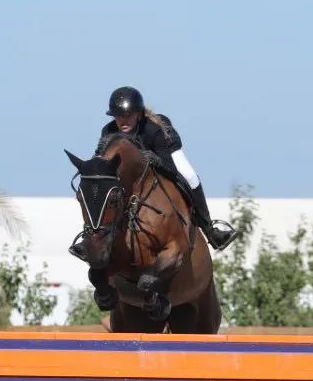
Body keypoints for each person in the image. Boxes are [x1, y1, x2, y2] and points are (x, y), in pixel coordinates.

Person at [69, 86, 240, 260]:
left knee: (190, 177)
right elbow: (100, 159)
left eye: (128, 115)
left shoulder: (153, 131)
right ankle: (88, 237)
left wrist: (155, 158)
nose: (123, 121)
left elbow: (170, 168)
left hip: (166, 153)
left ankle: (210, 229)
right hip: (133, 172)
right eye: (118, 116)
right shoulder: (108, 131)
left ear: (138, 114)